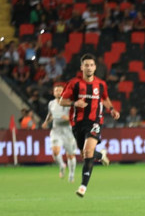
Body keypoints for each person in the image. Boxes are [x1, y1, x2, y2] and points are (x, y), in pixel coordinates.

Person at [60, 54, 120, 197]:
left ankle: (83, 187)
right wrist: (75, 103)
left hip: (95, 121)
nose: (89, 68)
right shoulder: (74, 83)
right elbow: (62, 101)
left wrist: (111, 109)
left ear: (95, 67)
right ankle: (100, 155)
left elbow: (104, 98)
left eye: (91, 65)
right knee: (86, 153)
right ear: (81, 67)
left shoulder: (100, 84)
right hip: (77, 123)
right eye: (86, 65)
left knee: (87, 151)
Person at [43, 83, 78, 182]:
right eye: (56, 90)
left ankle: (71, 174)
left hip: (68, 132)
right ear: (53, 93)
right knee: (55, 151)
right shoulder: (51, 103)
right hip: (56, 131)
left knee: (70, 155)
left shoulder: (69, 103)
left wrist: (65, 118)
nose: (58, 92)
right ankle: (62, 165)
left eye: (60, 90)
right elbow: (50, 114)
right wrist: (46, 122)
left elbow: (74, 119)